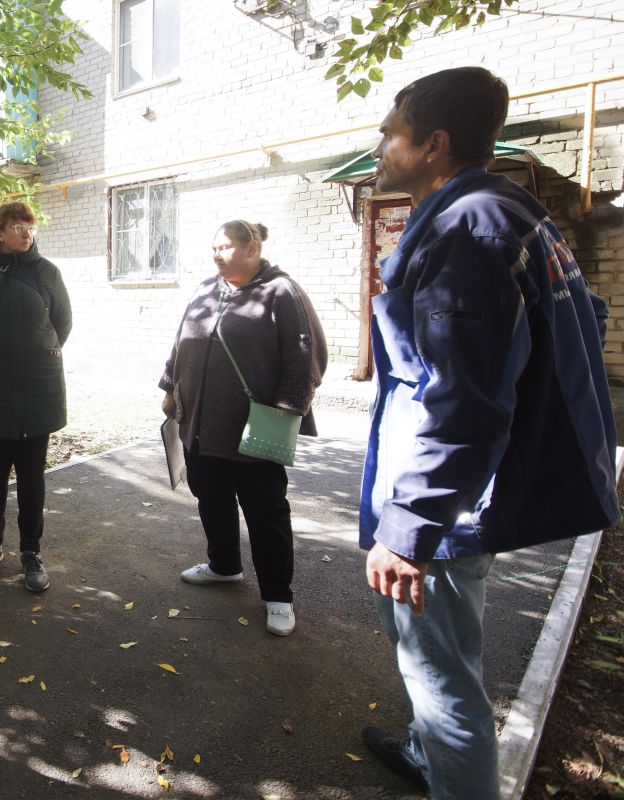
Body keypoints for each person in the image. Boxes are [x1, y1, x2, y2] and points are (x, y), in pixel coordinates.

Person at [358, 67, 619, 800]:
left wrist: (408, 524)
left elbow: (464, 402)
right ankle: (428, 753)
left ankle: (453, 772)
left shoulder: (468, 231)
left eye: (391, 133)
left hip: (439, 499)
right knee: (449, 643)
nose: (380, 147)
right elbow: (582, 321)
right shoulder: (511, 212)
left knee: (438, 674)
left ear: (433, 143)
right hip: (460, 487)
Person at [158, 221, 327, 636]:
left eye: (225, 247)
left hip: (255, 429)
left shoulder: (281, 292)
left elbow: (308, 357)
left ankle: (278, 596)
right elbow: (181, 341)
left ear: (252, 247)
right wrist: (170, 389)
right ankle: (223, 565)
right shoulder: (205, 289)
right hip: (201, 422)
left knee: (265, 512)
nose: (216, 255)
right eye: (213, 247)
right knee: (210, 498)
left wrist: (288, 411)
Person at [0, 202, 73, 591]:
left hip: (38, 388)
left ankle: (31, 552)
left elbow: (62, 324)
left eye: (29, 228)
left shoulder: (47, 273)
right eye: (17, 227)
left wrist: (35, 354)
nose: (25, 233)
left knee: (33, 475)